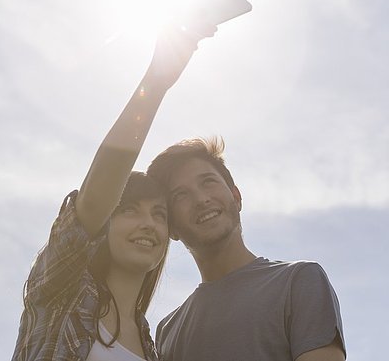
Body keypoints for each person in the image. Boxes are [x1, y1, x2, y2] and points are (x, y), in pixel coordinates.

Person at [11, 20, 218, 361]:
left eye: (159, 214)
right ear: (106, 221)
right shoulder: (63, 292)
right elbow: (97, 191)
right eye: (129, 210)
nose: (148, 224)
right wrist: (156, 83)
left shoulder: (155, 348)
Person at [146, 138, 347, 361]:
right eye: (180, 195)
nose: (201, 199)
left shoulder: (299, 281)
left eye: (208, 182)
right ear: (171, 228)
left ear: (236, 196)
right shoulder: (167, 331)